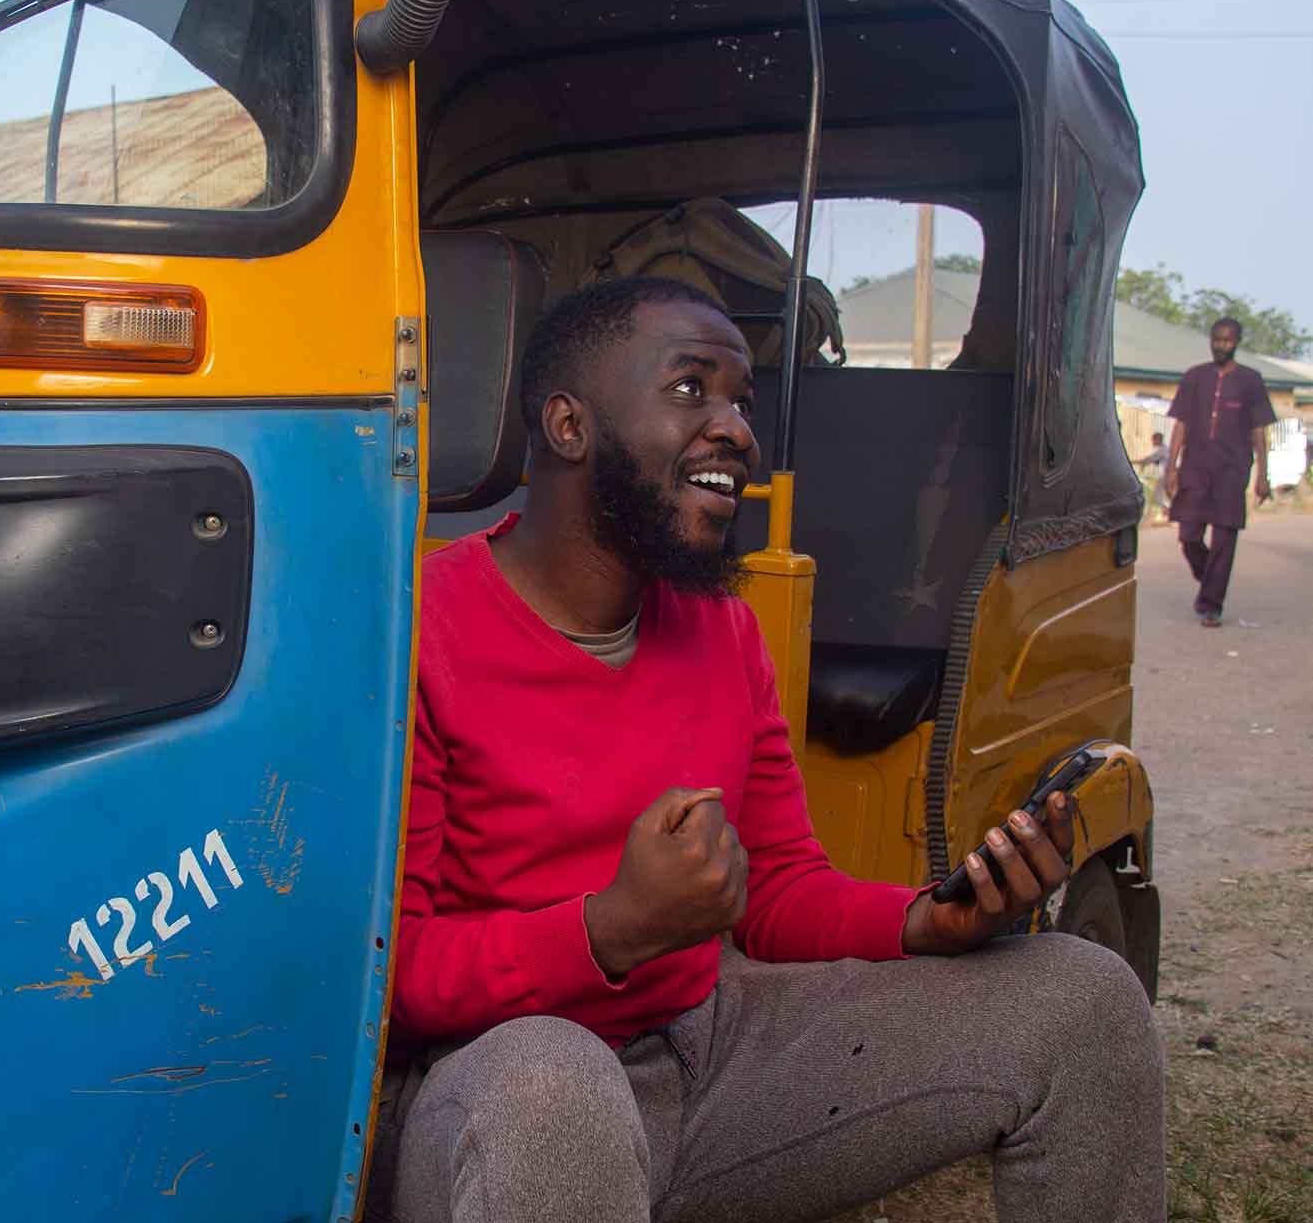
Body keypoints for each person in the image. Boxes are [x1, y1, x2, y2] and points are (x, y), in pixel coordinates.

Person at [370, 278, 1163, 1223]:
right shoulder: (416, 631)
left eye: (741, 401)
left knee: (1084, 1001)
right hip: (495, 1085)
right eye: (689, 390)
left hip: (706, 1050)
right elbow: (398, 974)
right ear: (568, 426)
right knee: (557, 1095)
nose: (736, 430)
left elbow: (781, 886)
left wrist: (925, 922)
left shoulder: (724, 630)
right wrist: (610, 927)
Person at [1164, 316, 1275, 627]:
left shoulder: (1251, 381)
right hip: (1195, 469)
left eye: (1227, 341)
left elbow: (1258, 432)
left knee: (1225, 540)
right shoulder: (1194, 377)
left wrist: (1262, 476)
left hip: (1232, 470)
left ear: (1237, 342)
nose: (1221, 346)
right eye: (1216, 340)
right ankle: (1209, 579)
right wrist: (1170, 468)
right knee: (1188, 535)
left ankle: (1210, 605)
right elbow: (1181, 424)